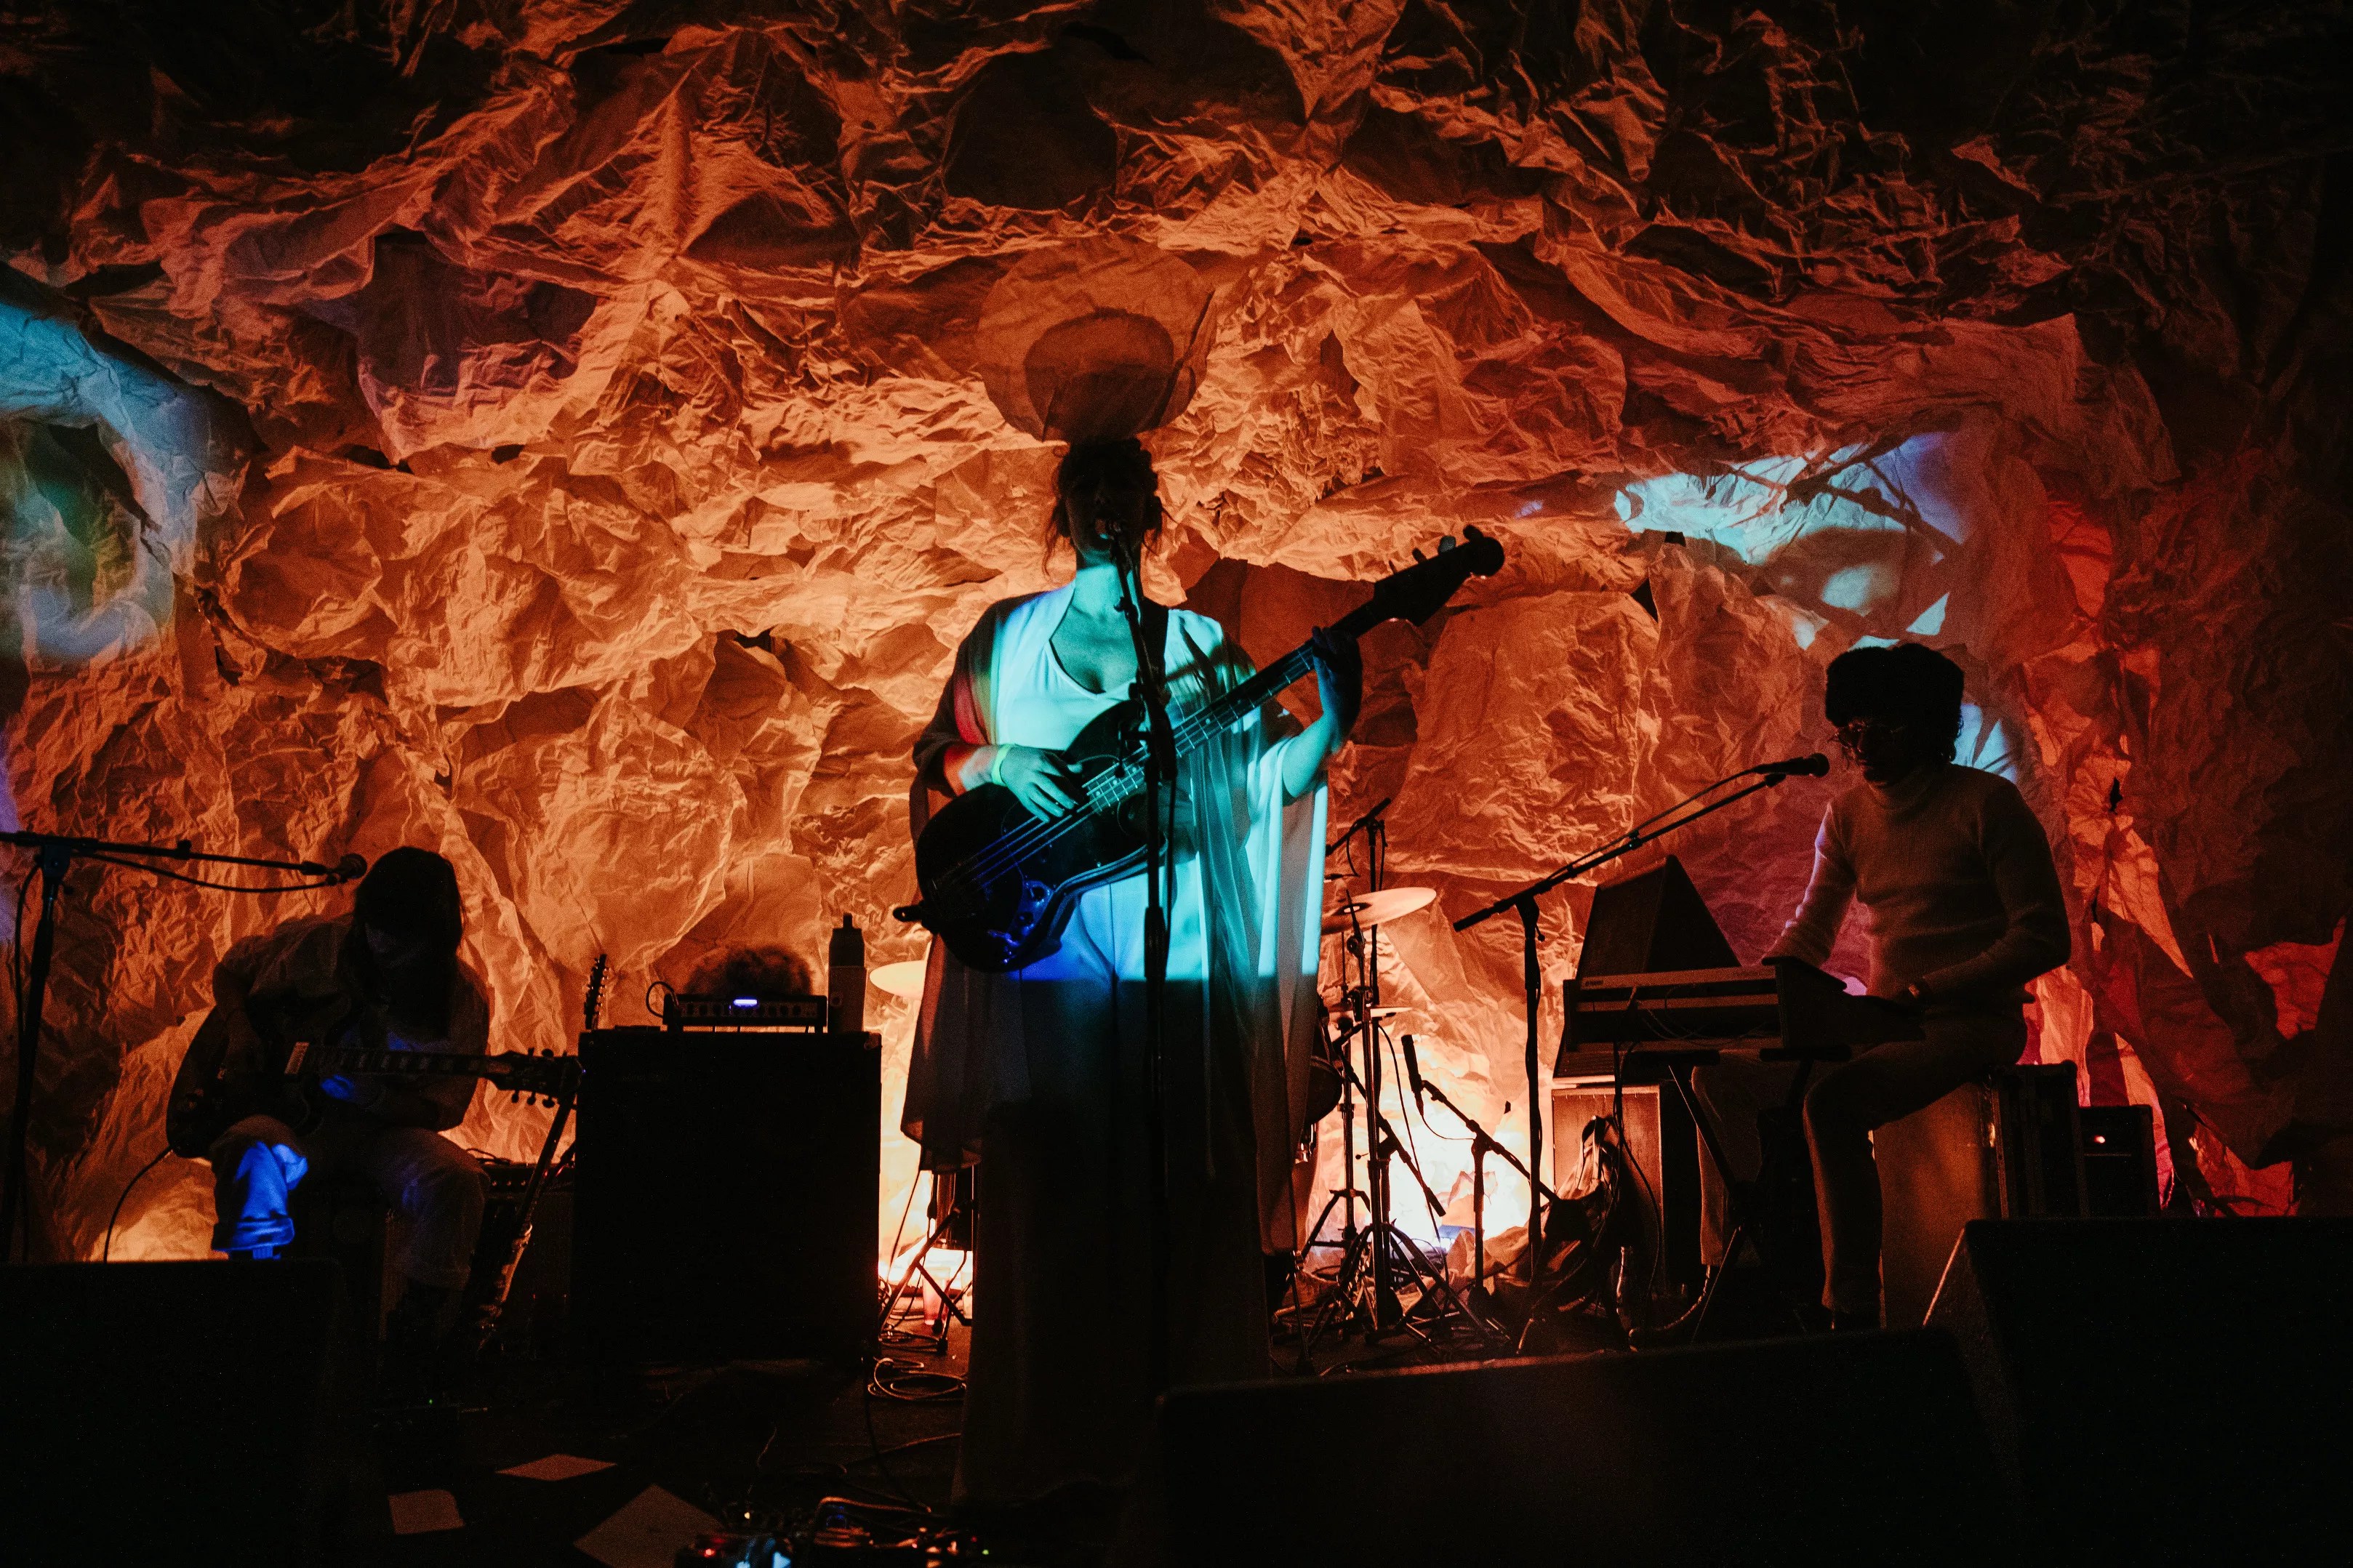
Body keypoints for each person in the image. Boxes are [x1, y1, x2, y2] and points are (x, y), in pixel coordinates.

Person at [902, 437, 1357, 1507]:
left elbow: (1266, 784)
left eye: (1125, 487)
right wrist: (1005, 760)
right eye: (1088, 485)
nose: (1107, 502)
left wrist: (1328, 722)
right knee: (1056, 1199)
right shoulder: (1007, 639)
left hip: (1180, 969)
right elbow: (939, 763)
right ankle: (1048, 1459)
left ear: (1151, 511)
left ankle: (1184, 1453)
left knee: (1182, 1192)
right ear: (1062, 506)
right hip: (1052, 963)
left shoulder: (1199, 648)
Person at [1695, 643, 2069, 1327]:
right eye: (1850, 732)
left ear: (1928, 728)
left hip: (1971, 1025)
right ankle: (1732, 1279)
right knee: (1720, 1080)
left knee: (1833, 1105)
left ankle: (1853, 1312)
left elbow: (2044, 936)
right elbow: (1812, 927)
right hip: (1889, 1023)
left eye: (1880, 731)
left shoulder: (1987, 803)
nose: (1860, 747)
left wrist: (1932, 989)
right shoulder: (1847, 815)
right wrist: (1762, 991)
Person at [204, 847, 492, 1354]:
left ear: (433, 938)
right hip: (291, 1118)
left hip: (382, 1133)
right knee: (249, 1148)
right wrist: (240, 1031)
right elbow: (230, 971)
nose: (379, 943)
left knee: (457, 1180)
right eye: (373, 926)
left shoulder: (461, 998)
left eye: (398, 938)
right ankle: (258, 1310)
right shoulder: (319, 944)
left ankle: (410, 1343)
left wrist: (377, 1096)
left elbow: (441, 1110)